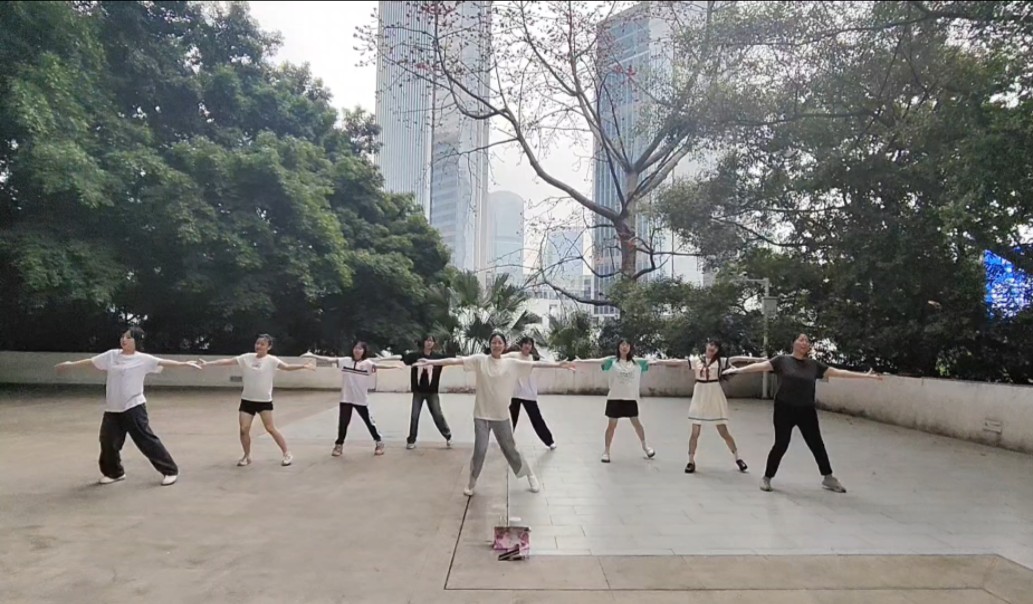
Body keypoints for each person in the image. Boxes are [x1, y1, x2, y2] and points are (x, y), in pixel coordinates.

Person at [415, 332, 575, 496]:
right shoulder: (480, 360)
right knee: (480, 450)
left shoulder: (512, 363)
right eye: (494, 342)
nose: (496, 345)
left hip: (501, 417)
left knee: (510, 450)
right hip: (481, 415)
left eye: (500, 343)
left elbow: (538, 365)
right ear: (490, 345)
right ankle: (472, 481)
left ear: (504, 346)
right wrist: (431, 362)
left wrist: (558, 364)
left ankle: (529, 475)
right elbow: (455, 361)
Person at [723, 333, 883, 493]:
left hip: (806, 409)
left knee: (817, 444)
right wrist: (738, 370)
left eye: (807, 341)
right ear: (793, 343)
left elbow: (838, 372)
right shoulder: (782, 361)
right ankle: (767, 478)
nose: (804, 343)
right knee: (781, 444)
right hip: (784, 408)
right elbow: (760, 367)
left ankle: (828, 478)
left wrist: (865, 376)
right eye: (800, 339)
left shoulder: (814, 365)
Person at [54, 327, 202, 486]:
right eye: (123, 336)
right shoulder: (111, 355)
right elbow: (91, 362)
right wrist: (70, 365)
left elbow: (162, 362)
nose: (124, 340)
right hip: (113, 407)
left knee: (145, 440)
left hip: (134, 405)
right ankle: (114, 472)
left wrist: (185, 364)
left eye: (129, 338)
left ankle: (170, 470)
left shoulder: (143, 359)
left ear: (137, 342)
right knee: (108, 441)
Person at [198, 334, 315, 467]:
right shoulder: (246, 357)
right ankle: (246, 456)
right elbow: (228, 361)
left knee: (270, 428)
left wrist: (303, 366)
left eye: (262, 344)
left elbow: (287, 367)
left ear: (269, 347)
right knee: (243, 429)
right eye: (257, 343)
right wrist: (207, 364)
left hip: (264, 401)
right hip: (247, 400)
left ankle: (286, 453)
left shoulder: (272, 360)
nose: (258, 346)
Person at [575, 339, 670, 463]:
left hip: (630, 398)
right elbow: (596, 362)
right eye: (622, 345)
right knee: (611, 425)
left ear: (630, 347)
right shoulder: (612, 362)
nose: (624, 347)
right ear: (618, 347)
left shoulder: (637, 362)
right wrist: (578, 362)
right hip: (615, 398)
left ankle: (645, 447)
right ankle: (606, 451)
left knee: (637, 423)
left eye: (627, 345)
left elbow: (657, 362)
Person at [302, 343, 403, 457]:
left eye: (360, 349)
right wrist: (312, 355)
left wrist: (394, 365)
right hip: (346, 398)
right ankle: (339, 445)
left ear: (364, 351)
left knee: (368, 422)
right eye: (356, 348)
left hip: (360, 399)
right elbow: (329, 359)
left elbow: (379, 366)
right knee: (343, 423)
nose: (357, 350)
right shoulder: (345, 361)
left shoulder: (367, 364)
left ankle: (379, 442)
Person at [680, 340, 750, 474]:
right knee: (695, 432)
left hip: (714, 395)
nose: (712, 348)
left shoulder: (721, 362)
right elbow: (678, 362)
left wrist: (760, 361)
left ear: (718, 350)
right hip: (700, 395)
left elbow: (739, 361)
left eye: (716, 346)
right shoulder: (696, 361)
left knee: (723, 431)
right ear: (706, 346)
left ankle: (738, 458)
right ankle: (690, 461)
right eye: (711, 345)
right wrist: (656, 362)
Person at [504, 336, 556, 450]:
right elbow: (499, 357)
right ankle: (507, 441)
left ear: (532, 347)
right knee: (512, 419)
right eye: (525, 344)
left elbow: (547, 364)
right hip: (516, 393)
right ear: (521, 346)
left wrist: (561, 364)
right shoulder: (514, 356)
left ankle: (549, 441)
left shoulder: (534, 358)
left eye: (530, 344)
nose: (527, 346)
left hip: (529, 394)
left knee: (536, 418)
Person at [401, 335, 453, 449]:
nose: (429, 343)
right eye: (427, 340)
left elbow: (451, 359)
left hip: (432, 392)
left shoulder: (437, 358)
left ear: (434, 343)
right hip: (418, 392)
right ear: (423, 342)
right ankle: (411, 440)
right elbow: (403, 359)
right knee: (414, 415)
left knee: (437, 415)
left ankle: (447, 435)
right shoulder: (415, 356)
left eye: (431, 341)